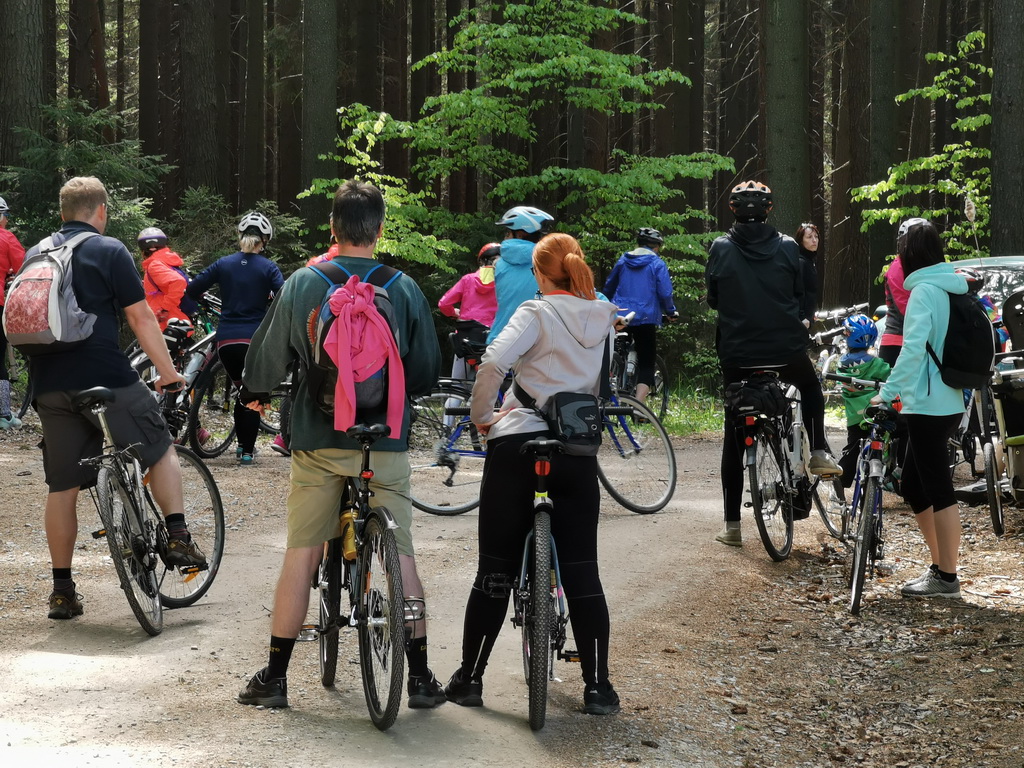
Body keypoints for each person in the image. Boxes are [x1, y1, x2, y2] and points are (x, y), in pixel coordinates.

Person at [236, 180, 442, 710]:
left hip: (318, 440)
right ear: (379, 230)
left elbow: (266, 361)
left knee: (302, 551)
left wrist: (256, 390)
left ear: (333, 228)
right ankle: (420, 677)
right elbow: (424, 372)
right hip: (385, 441)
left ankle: (275, 678)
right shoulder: (404, 287)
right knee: (402, 552)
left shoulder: (304, 283)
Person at [444, 232, 622, 716]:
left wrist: (483, 418)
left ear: (540, 274)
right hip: (576, 451)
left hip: (518, 444)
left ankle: (470, 678)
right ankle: (598, 687)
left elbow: (492, 363)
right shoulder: (604, 318)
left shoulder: (535, 312)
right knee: (583, 571)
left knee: (495, 569)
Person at [27, 177, 205, 620]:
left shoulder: (37, 253)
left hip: (48, 386)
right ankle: (178, 535)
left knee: (62, 487)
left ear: (63, 212)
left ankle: (62, 591)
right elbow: (141, 318)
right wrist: (168, 374)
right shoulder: (109, 250)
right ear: (101, 211)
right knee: (159, 446)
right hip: (105, 377)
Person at [706, 181, 841, 547]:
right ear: (768, 210)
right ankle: (818, 450)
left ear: (733, 210)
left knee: (734, 434)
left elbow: (713, 299)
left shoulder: (720, 247)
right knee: (809, 386)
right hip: (785, 350)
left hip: (737, 355)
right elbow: (799, 294)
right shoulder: (787, 246)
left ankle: (732, 527)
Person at [872, 218, 967, 599]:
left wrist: (887, 392)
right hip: (946, 399)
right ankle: (940, 567)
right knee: (913, 484)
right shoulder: (949, 286)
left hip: (928, 403)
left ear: (909, 254)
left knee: (939, 488)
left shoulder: (924, 291)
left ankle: (947, 577)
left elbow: (912, 350)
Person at [186, 212, 284, 465]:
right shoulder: (268, 267)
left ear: (241, 236)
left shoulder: (223, 264)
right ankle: (247, 451)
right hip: (255, 340)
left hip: (227, 341)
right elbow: (284, 298)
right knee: (252, 392)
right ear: (264, 240)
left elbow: (192, 289)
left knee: (242, 390)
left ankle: (242, 447)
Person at [603, 227, 678, 404]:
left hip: (620, 315)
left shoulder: (623, 260)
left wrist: (606, 307)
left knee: (613, 350)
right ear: (657, 247)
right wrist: (670, 311)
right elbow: (665, 293)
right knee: (646, 361)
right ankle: (638, 405)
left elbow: (609, 286)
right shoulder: (657, 263)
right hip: (645, 318)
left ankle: (609, 386)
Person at [486, 205, 554, 345]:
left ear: (521, 234)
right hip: (540, 343)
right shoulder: (552, 263)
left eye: (508, 233)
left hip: (500, 341)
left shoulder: (498, 264)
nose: (505, 237)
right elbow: (583, 292)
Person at [836, 314, 891, 486]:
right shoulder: (876, 363)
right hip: (875, 410)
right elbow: (889, 375)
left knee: (852, 448)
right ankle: (890, 475)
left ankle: (842, 481)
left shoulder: (842, 364)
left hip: (854, 415)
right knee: (888, 438)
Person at [438, 242, 499, 380]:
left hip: (466, 338)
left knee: (457, 382)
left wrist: (454, 313)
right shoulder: (503, 283)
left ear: (481, 262)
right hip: (492, 338)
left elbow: (444, 304)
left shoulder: (468, 280)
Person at [878, 218, 926, 366]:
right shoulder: (898, 268)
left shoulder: (927, 267)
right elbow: (906, 310)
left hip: (923, 341)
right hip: (899, 342)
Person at [0, 196, 26, 429]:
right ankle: (4, 414)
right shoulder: (6, 238)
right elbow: (24, 269)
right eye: (6, 215)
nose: (7, 220)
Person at [138, 227, 194, 331]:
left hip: (167, 320)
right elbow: (163, 285)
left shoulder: (154, 265)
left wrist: (164, 308)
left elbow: (178, 282)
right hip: (175, 318)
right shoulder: (165, 261)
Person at [795, 222, 820, 327]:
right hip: (801, 321)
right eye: (809, 237)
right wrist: (801, 317)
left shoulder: (810, 261)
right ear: (801, 241)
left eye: (816, 237)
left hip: (809, 318)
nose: (814, 240)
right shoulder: (801, 262)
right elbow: (798, 291)